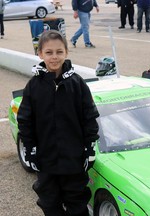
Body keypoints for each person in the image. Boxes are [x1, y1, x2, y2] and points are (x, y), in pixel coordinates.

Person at [17, 30, 99, 216]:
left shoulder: (77, 84)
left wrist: (90, 147)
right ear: (40, 54)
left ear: (66, 53)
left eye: (59, 52)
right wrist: (30, 149)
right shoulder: (33, 86)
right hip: (45, 160)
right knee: (49, 202)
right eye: (49, 52)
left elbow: (89, 117)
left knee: (77, 202)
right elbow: (25, 121)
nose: (54, 57)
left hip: (74, 160)